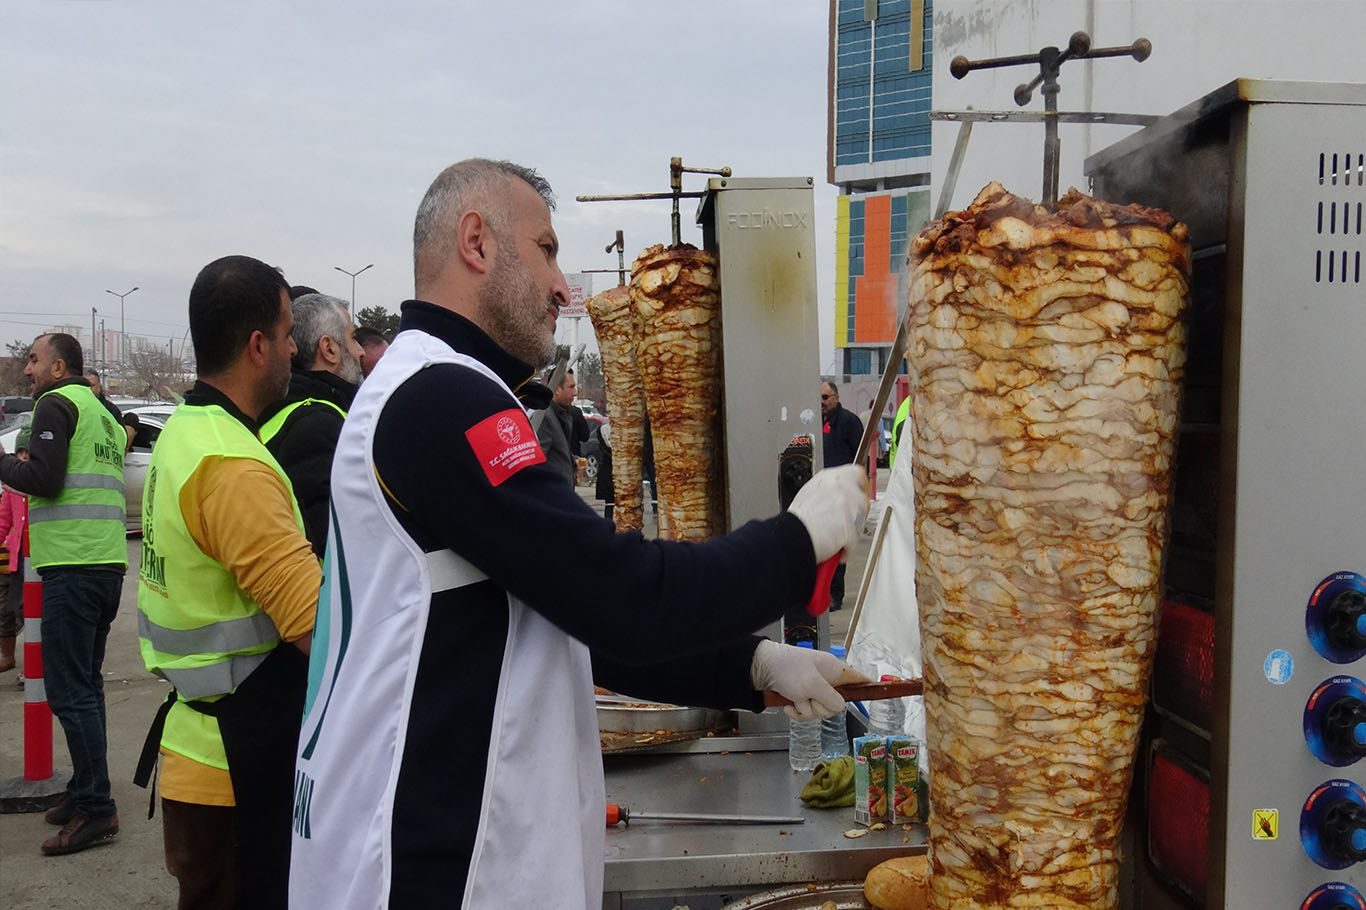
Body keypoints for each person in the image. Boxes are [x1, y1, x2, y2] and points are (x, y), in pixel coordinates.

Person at [290, 158, 868, 909]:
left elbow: (560, 612)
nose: (563, 288)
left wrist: (752, 666)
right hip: (431, 870)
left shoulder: (425, 389)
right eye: (547, 251)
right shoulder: (441, 398)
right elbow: (618, 596)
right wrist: (796, 542)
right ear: (476, 242)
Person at [134, 255, 322, 909]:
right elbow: (318, 631)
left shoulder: (185, 432)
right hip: (235, 770)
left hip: (200, 750)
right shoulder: (233, 466)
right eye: (288, 332)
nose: (295, 349)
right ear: (258, 345)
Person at [0, 333, 126, 854]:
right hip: (105, 564)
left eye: (34, 359)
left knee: (69, 691)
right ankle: (85, 787)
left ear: (58, 368)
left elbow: (45, 479)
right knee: (86, 687)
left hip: (73, 567)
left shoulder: (55, 404)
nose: (27, 369)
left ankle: (97, 807)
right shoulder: (101, 413)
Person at [258, 292, 364, 556]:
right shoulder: (317, 426)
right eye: (353, 338)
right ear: (329, 349)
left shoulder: (283, 408)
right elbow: (331, 547)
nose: (360, 351)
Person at [820, 380, 863, 612]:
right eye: (819, 398)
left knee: (837, 547)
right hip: (820, 493)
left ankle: (835, 594)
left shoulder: (849, 422)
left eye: (825, 398)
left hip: (842, 494)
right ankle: (820, 592)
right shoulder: (816, 422)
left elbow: (860, 457)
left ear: (836, 398)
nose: (821, 402)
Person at [0, 430, 27, 674]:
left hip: (39, 560)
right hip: (15, 561)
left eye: (29, 453)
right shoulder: (10, 489)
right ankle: (8, 657)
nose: (24, 457)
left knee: (35, 615)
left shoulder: (44, 486)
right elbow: (3, 521)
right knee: (8, 611)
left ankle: (35, 667)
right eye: (20, 453)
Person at [535, 367, 588, 486]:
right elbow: (537, 461)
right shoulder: (544, 417)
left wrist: (573, 460)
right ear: (557, 389)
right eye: (571, 387)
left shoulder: (563, 414)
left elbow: (557, 453)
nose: (575, 392)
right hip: (552, 491)